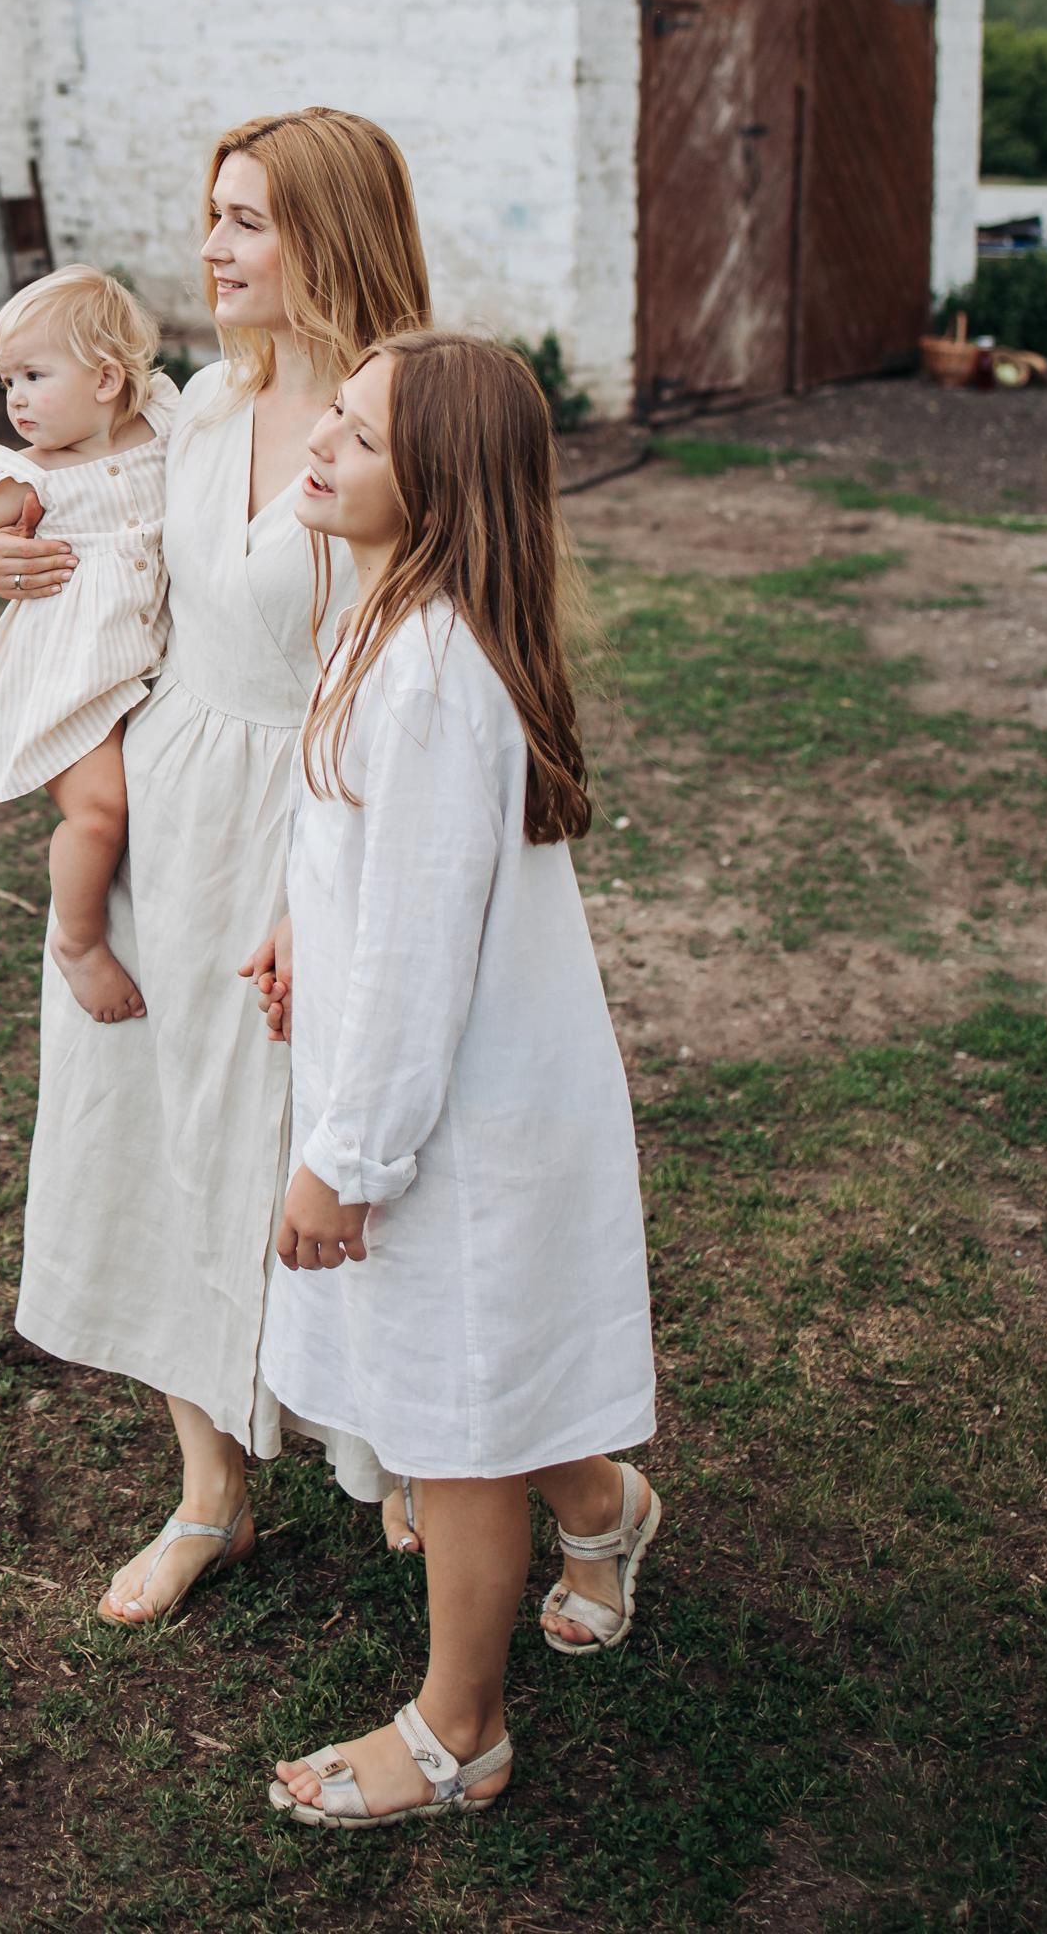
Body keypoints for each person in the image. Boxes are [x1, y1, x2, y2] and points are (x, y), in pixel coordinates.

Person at [0, 109, 435, 1623]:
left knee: (344, 1135)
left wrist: (332, 886)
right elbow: (89, 519)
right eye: (213, 217)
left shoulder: (406, 420)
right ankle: (210, 1491)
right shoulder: (187, 411)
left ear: (329, 235)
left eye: (245, 220)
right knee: (159, 1129)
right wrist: (11, 553)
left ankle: (405, 1448)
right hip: (169, 797)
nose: (212, 248)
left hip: (327, 806)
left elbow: (420, 655)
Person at [258, 331, 658, 1829]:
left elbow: (425, 953)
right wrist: (302, 922)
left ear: (432, 488)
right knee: (479, 1370)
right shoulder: (393, 619)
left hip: (452, 1118)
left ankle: (460, 1727)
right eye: (334, 421)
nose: (322, 446)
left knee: (457, 1416)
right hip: (441, 1093)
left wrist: (343, 1158)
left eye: (355, 438)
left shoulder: (430, 669)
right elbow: (380, 867)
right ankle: (607, 1509)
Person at [0, 266, 176, 1025]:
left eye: (34, 375)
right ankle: (79, 941)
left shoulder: (164, 426)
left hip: (153, 668)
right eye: (7, 381)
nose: (16, 398)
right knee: (102, 810)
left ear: (106, 380)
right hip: (67, 677)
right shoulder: (24, 480)